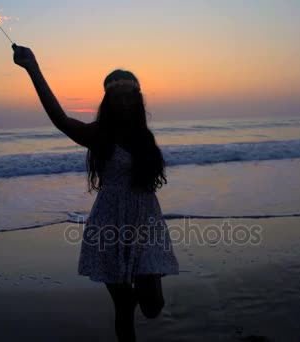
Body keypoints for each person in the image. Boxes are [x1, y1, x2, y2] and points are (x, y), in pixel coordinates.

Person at [12, 44, 180, 342]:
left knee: (153, 306)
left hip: (145, 222)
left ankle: (131, 298)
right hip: (109, 223)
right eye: (118, 97)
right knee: (123, 310)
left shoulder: (144, 136)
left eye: (131, 96)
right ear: (109, 100)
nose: (125, 102)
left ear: (138, 99)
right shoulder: (99, 134)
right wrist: (33, 69)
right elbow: (61, 121)